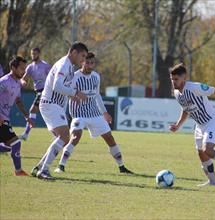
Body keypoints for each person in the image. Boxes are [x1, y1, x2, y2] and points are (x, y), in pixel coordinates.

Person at [54, 52, 133, 174]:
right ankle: (61, 165)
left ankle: (122, 167)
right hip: (78, 114)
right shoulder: (74, 77)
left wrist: (105, 113)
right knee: (76, 136)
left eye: (92, 63)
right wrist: (71, 98)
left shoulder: (96, 76)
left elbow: (97, 96)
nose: (90, 65)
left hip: (94, 113)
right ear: (82, 62)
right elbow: (66, 92)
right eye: (88, 62)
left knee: (110, 138)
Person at [169, 63, 215, 186]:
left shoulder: (194, 87)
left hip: (211, 122)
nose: (173, 82)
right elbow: (185, 109)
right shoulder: (177, 93)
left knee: (208, 149)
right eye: (172, 79)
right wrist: (178, 125)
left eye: (176, 79)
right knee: (201, 153)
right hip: (199, 126)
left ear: (184, 78)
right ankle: (212, 181)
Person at [31, 42, 88, 180]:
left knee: (61, 138)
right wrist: (75, 92)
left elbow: (61, 87)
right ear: (73, 52)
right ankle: (43, 170)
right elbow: (56, 86)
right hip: (51, 104)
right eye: (83, 56)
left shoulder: (68, 66)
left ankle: (39, 167)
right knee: (64, 137)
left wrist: (70, 95)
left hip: (54, 105)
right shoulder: (64, 64)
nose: (83, 60)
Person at [0, 56, 35, 176]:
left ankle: (18, 171)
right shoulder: (4, 82)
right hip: (1, 119)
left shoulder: (17, 83)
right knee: (15, 143)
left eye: (24, 69)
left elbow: (18, 101)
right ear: (13, 68)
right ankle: (18, 171)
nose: (23, 71)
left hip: (5, 118)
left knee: (8, 146)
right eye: (21, 68)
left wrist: (27, 116)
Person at [20, 47, 51, 141]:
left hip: (45, 91)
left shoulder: (45, 65)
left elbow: (52, 78)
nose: (33, 55)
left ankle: (25, 134)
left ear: (39, 54)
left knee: (32, 110)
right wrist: (23, 82)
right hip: (38, 91)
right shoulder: (30, 67)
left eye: (35, 54)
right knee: (47, 113)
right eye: (32, 54)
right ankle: (57, 134)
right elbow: (23, 78)